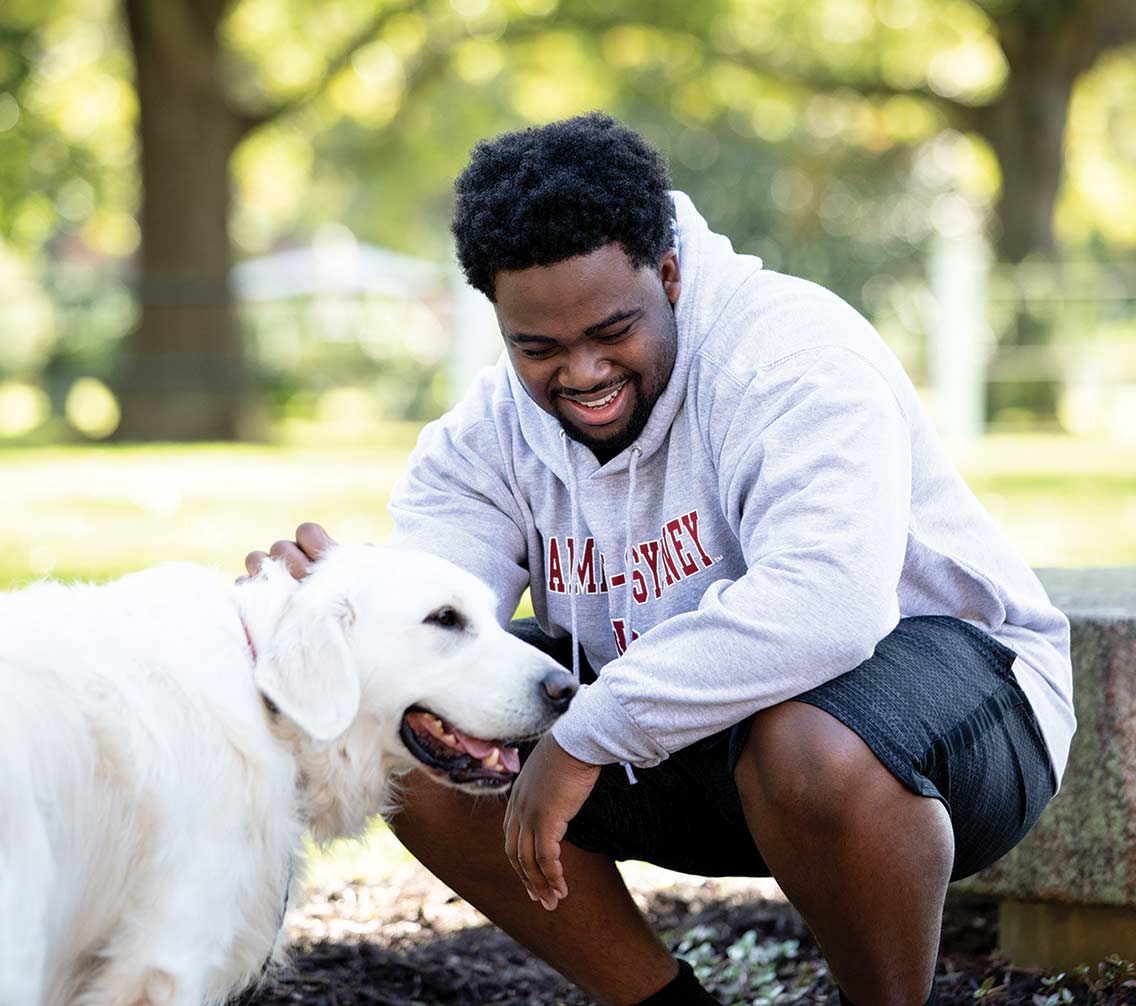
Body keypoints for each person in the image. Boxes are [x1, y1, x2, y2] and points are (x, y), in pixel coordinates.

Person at [250, 112, 1074, 1006]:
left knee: (812, 743)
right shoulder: (487, 435)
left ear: (669, 275)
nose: (584, 373)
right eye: (541, 347)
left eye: (612, 331)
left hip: (948, 731)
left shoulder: (793, 359)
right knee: (423, 723)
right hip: (688, 747)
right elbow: (432, 612)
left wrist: (590, 730)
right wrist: (338, 601)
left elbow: (829, 605)